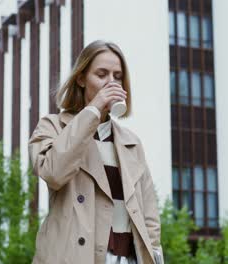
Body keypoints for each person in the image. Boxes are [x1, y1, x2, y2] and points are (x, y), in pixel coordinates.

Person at [28, 40, 163, 264]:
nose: (111, 82)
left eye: (117, 76)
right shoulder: (52, 127)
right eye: (102, 74)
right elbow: (53, 172)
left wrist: (155, 255)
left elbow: (149, 216)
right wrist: (94, 109)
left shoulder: (132, 143)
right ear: (81, 79)